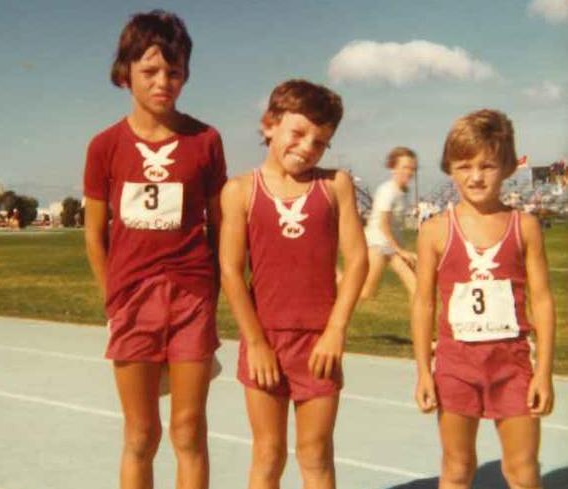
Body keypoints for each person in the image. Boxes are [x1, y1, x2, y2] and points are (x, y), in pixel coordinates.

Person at [83, 11, 226, 489]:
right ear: (125, 73)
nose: (163, 81)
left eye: (175, 71)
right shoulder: (104, 146)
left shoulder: (205, 141)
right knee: (142, 434)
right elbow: (94, 233)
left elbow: (219, 227)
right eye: (150, 71)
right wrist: (115, 299)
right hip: (132, 303)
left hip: (191, 300)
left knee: (189, 432)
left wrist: (209, 296)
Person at [220, 79, 368, 489]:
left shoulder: (335, 185)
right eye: (298, 133)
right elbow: (231, 271)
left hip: (319, 344)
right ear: (270, 124)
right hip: (264, 341)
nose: (307, 147)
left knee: (316, 455)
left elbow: (356, 259)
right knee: (268, 455)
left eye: (320, 142)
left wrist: (336, 331)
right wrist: (256, 344)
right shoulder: (240, 191)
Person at [411, 109, 555, 489]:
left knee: (523, 471)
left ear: (506, 167)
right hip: (456, 366)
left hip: (513, 366)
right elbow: (424, 303)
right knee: (457, 469)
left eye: (487, 165)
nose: (475, 176)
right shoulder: (434, 231)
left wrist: (544, 372)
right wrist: (424, 370)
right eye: (464, 166)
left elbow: (541, 300)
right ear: (450, 169)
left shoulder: (525, 226)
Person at [360, 147, 417, 300]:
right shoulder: (387, 191)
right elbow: (383, 225)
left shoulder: (404, 191)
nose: (410, 172)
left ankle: (419, 323)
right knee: (365, 293)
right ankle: (333, 277)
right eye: (405, 167)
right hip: (377, 244)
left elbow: (395, 226)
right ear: (393, 168)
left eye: (413, 168)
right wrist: (401, 251)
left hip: (392, 247)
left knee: (416, 287)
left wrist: (400, 250)